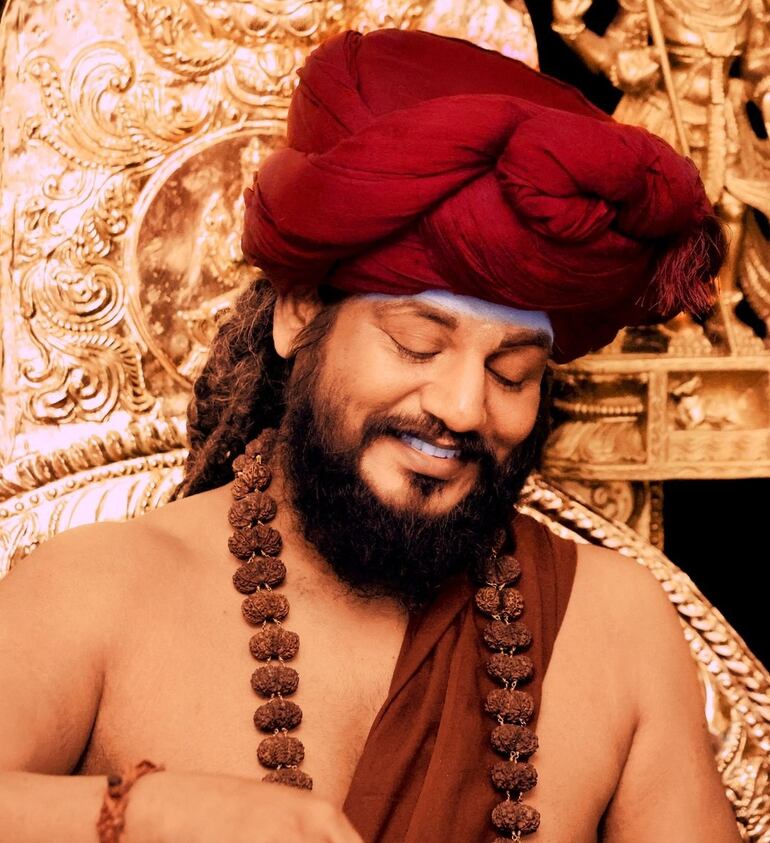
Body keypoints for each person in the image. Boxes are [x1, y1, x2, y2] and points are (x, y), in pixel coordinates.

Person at [0, 27, 741, 843]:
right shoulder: (95, 590)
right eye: (418, 344)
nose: (464, 408)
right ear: (300, 314)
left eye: (512, 372)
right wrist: (145, 812)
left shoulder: (617, 627)